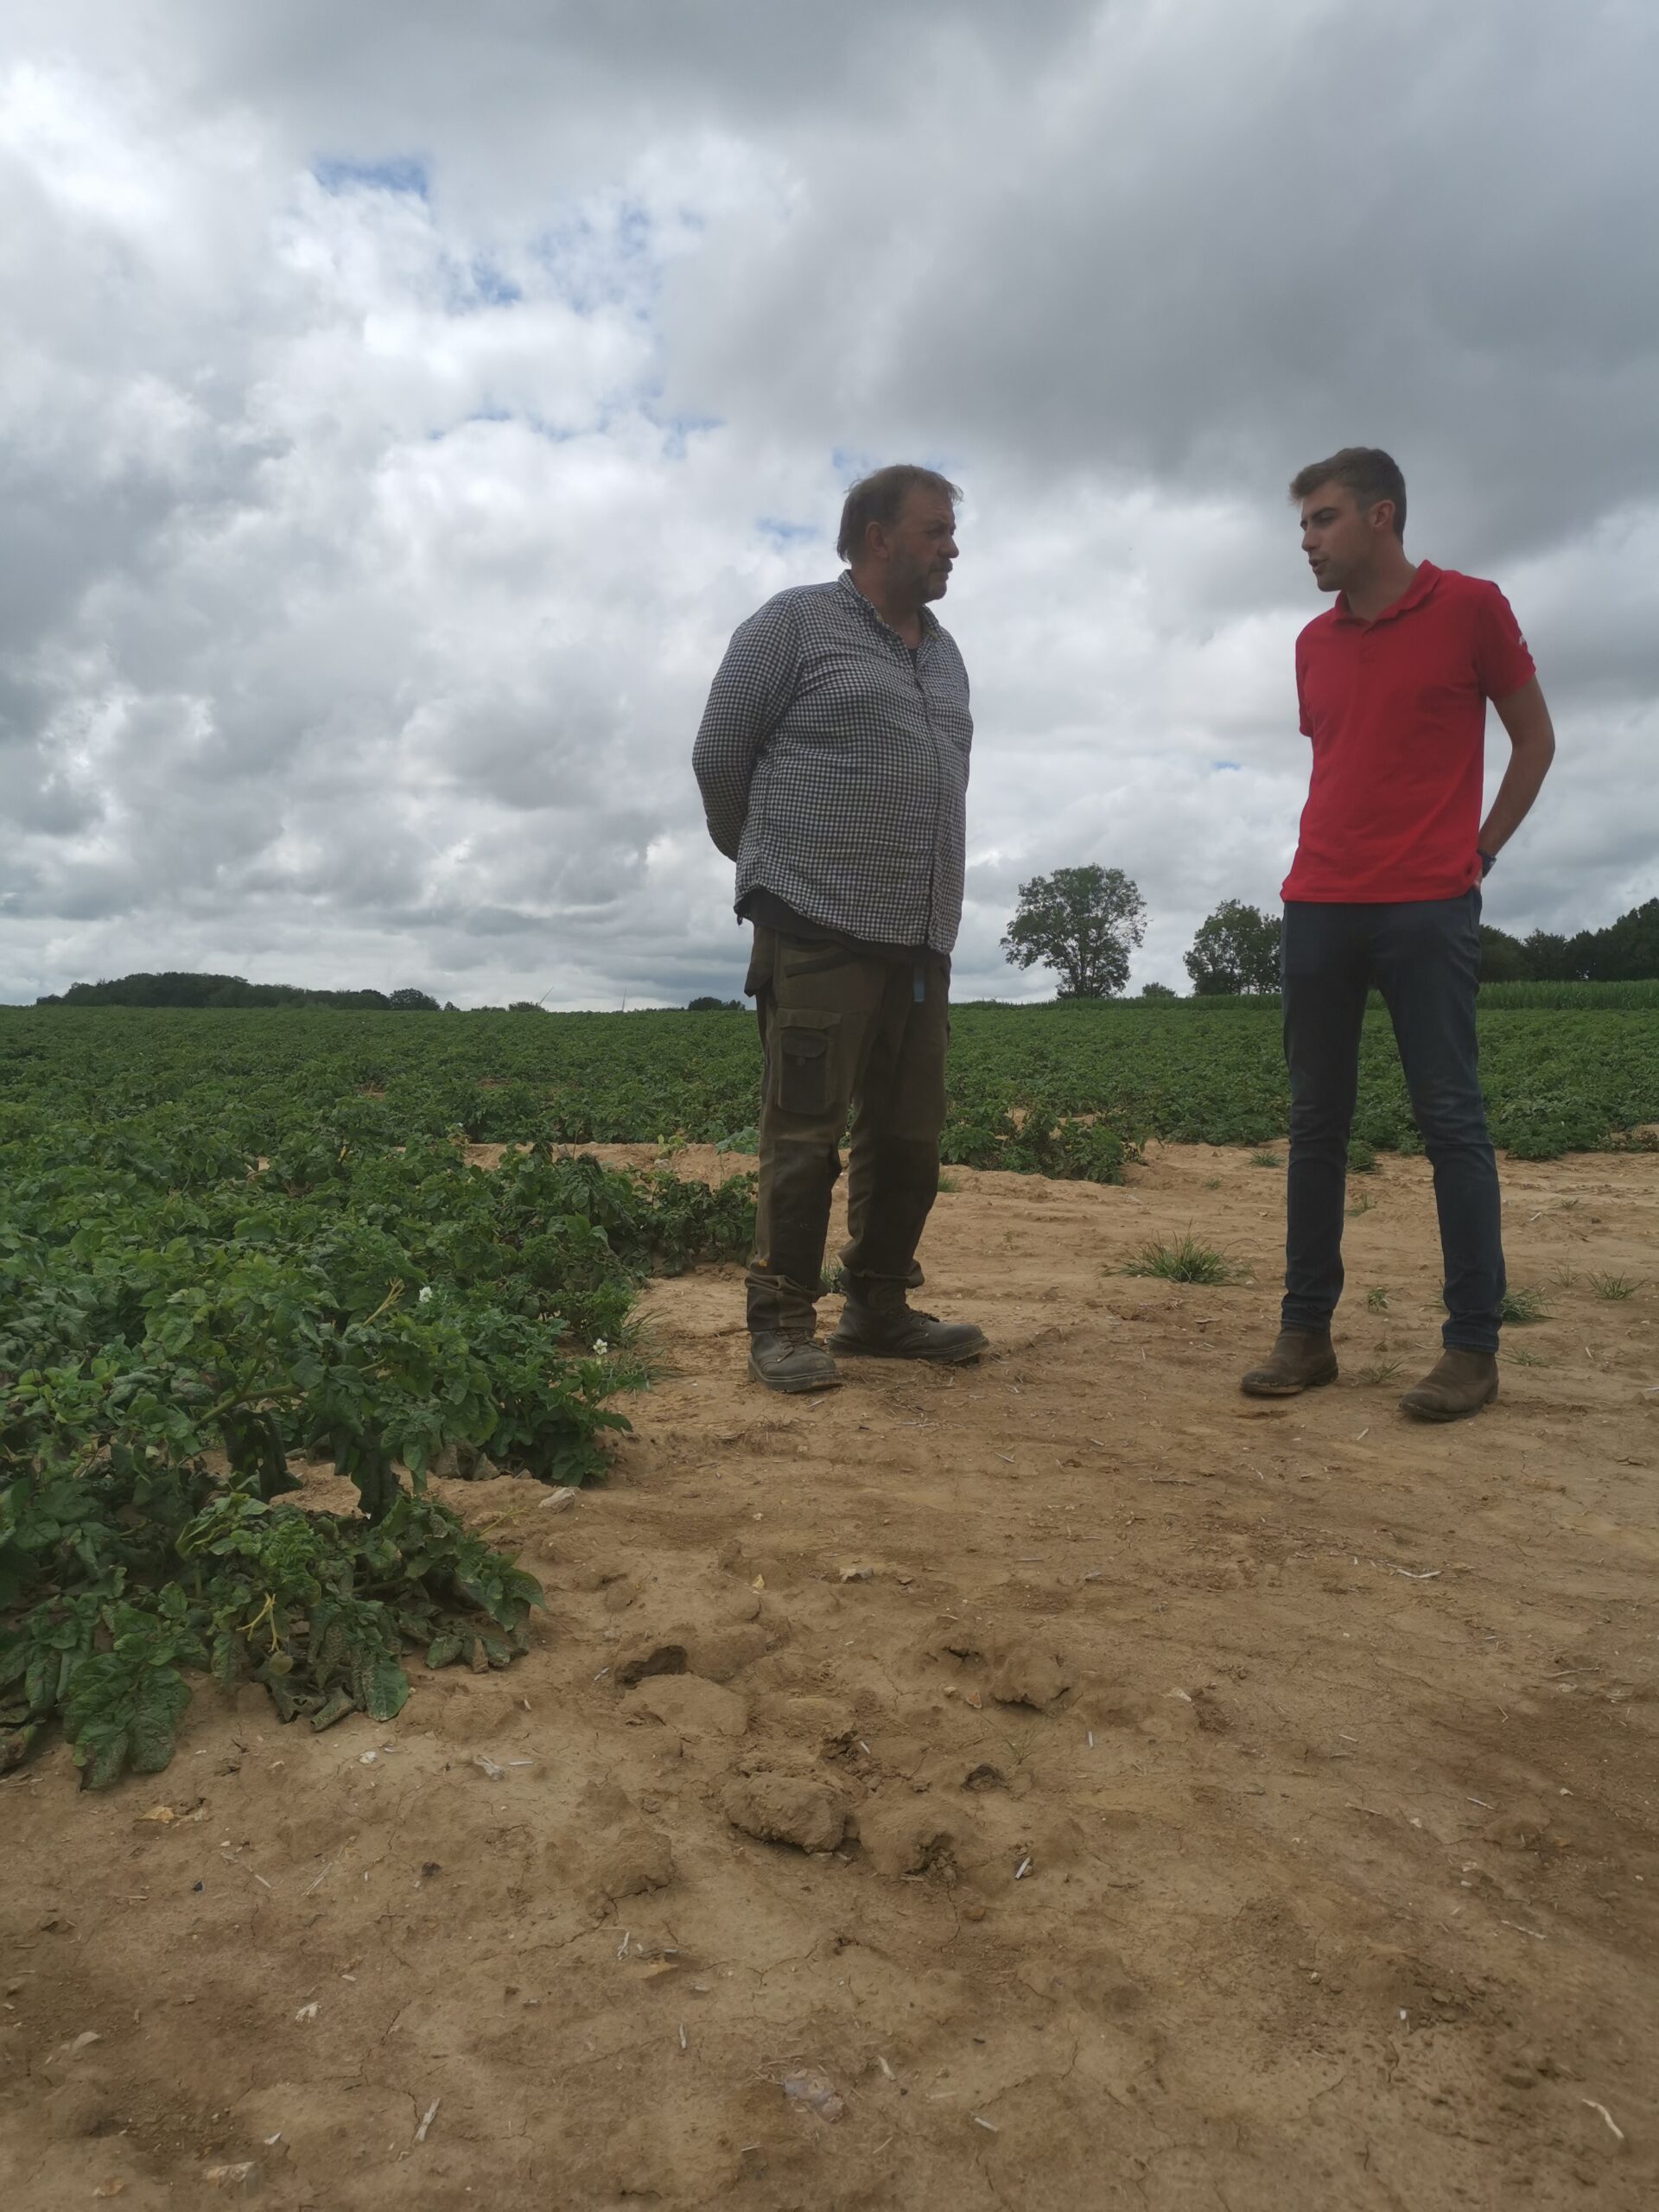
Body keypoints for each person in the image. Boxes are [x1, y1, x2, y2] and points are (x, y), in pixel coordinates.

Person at [1243, 447, 1556, 1421]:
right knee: (1314, 1127)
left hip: (1429, 904)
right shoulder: (1311, 643)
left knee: (1451, 1122)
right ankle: (1306, 1332)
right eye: (1302, 525)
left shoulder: (1471, 607)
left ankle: (1472, 1348)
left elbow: (1534, 738)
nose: (1307, 541)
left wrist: (1482, 853)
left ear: (1383, 516)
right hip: (1319, 903)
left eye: (1323, 520)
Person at [692, 465, 988, 1393]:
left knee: (909, 1138)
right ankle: (779, 1321)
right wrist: (773, 867)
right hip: (815, 924)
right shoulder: (792, 625)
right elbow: (718, 755)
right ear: (876, 537)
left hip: (918, 937)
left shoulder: (942, 653)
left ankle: (878, 1306)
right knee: (804, 1136)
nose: (952, 546)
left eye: (952, 531)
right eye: (935, 530)